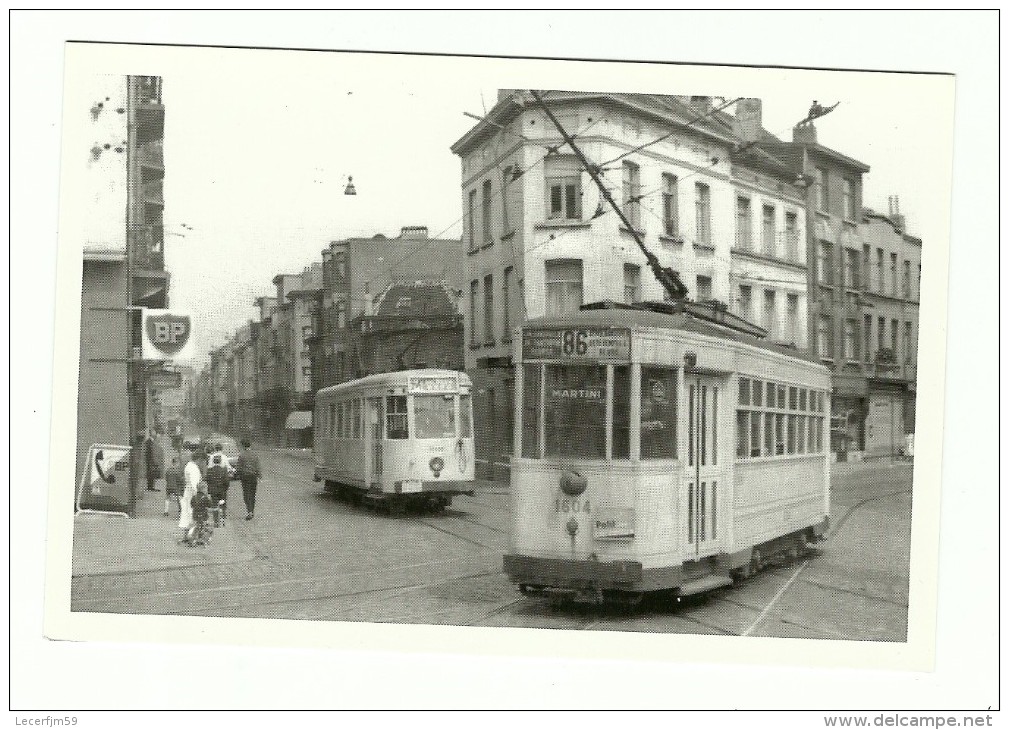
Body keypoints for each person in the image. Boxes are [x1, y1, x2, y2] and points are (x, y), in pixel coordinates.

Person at [179, 450, 207, 541]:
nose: (203, 464)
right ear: (199, 459)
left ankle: (187, 535)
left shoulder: (189, 465)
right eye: (202, 461)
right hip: (192, 494)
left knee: (187, 513)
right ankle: (191, 536)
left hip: (188, 492)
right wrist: (199, 497)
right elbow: (194, 484)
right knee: (193, 514)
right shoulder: (194, 468)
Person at [236, 438, 261, 521]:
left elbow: (239, 467)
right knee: (252, 494)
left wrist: (237, 474)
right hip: (253, 477)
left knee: (246, 494)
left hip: (245, 477)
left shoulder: (241, 455)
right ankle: (252, 511)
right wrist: (259, 475)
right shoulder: (255, 454)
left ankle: (249, 511)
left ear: (243, 446)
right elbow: (258, 466)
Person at [186, 482, 213, 546]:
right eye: (206, 489)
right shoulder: (205, 497)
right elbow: (209, 505)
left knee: (197, 526)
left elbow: (192, 505)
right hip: (203, 516)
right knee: (207, 527)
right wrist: (209, 498)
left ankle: (194, 539)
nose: (207, 490)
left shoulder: (194, 497)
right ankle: (204, 538)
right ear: (203, 489)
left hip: (195, 515)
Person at [205, 454, 230, 521]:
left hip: (213, 491)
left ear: (213, 462)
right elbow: (226, 481)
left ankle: (216, 520)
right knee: (222, 503)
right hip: (222, 491)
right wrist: (226, 488)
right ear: (220, 461)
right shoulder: (223, 470)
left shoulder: (209, 470)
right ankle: (223, 517)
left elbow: (207, 480)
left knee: (215, 504)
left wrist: (209, 488)